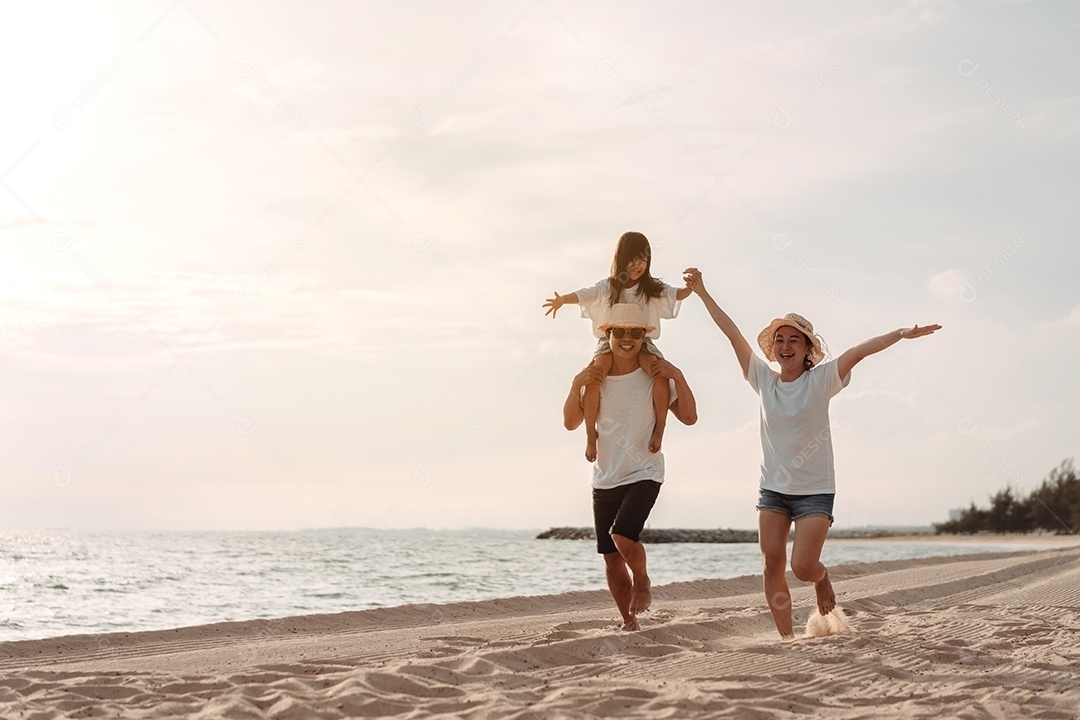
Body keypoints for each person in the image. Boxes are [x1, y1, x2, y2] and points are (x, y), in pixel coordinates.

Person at [683, 267, 941, 639]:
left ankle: (822, 578)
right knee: (771, 562)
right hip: (772, 488)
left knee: (802, 567)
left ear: (807, 350)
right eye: (780, 340)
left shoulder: (821, 380)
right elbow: (732, 334)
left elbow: (859, 351)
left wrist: (900, 334)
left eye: (794, 340)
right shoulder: (763, 380)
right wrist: (704, 292)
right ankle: (787, 638)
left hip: (815, 490)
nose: (785, 346)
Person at [562, 303, 697, 631]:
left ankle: (643, 580)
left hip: (644, 471)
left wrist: (677, 374)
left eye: (634, 332)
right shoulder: (595, 377)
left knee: (622, 534)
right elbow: (570, 423)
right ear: (606, 335)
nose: (626, 339)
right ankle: (628, 621)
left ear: (643, 336)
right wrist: (574, 383)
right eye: (618, 332)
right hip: (605, 477)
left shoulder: (655, 375)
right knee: (610, 557)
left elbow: (690, 418)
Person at [544, 231, 692, 462]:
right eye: (632, 260)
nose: (637, 266)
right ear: (621, 260)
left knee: (659, 374)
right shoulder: (610, 286)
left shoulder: (651, 287)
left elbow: (677, 294)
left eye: (642, 260)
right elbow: (587, 294)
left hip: (641, 338)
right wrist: (563, 299)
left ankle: (660, 429)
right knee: (595, 376)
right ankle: (591, 434)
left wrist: (691, 286)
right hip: (609, 339)